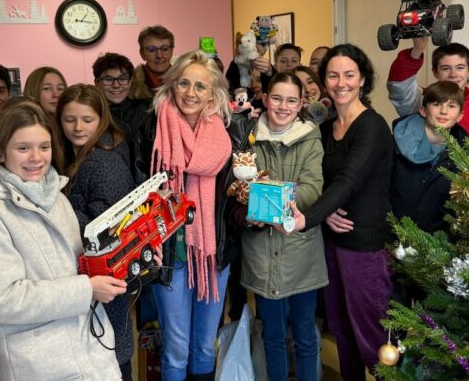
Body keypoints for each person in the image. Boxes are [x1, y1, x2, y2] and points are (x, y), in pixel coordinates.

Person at [0, 99, 125, 381]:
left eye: (44, 146)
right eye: (23, 148)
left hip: (89, 347)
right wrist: (86, 289)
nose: (36, 157)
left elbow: (82, 265)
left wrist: (132, 258)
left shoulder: (57, 197)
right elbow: (5, 300)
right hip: (40, 362)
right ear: (0, 153)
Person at [288, 44, 394, 380]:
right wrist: (325, 212)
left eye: (349, 74)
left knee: (372, 336)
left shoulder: (372, 127)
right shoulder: (326, 128)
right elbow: (323, 183)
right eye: (333, 75)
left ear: (362, 79)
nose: (341, 82)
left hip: (365, 246)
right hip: (332, 243)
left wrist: (310, 217)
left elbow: (349, 180)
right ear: (323, 81)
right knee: (342, 329)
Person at [137, 49, 238, 380]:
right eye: (184, 83)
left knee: (206, 345)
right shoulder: (151, 129)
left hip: (212, 254)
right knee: (176, 348)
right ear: (171, 86)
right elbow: (138, 191)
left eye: (200, 86)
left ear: (214, 93)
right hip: (169, 253)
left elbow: (234, 199)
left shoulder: (228, 133)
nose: (191, 93)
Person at [56, 84, 157, 381]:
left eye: (87, 120)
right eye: (69, 119)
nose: (77, 127)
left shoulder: (104, 160)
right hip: (89, 283)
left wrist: (58, 211)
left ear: (101, 120)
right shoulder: (73, 155)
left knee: (110, 360)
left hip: (106, 281)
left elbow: (109, 232)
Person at [232, 72, 327, 381]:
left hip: (301, 253)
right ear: (265, 98)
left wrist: (274, 197)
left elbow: (313, 187)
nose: (283, 106)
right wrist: (249, 209)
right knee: (272, 335)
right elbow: (236, 187)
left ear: (301, 103)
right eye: (276, 98)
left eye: (291, 100)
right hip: (260, 252)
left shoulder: (311, 137)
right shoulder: (246, 137)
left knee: (305, 335)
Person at [391, 80, 467, 234]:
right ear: (423, 110)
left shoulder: (463, 154)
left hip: (436, 243)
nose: (443, 111)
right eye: (437, 104)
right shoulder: (395, 145)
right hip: (392, 232)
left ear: (460, 116)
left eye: (451, 106)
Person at [387, 38, 469, 152]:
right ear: (435, 72)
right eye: (445, 68)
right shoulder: (422, 100)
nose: (453, 74)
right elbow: (398, 87)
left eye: (460, 68)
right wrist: (417, 50)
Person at [93, 52, 154, 183]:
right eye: (108, 79)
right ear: (96, 83)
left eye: (122, 78)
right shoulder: (92, 118)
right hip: (113, 186)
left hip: (150, 189)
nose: (116, 85)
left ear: (130, 82)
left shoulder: (146, 110)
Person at [130, 25, 175, 99]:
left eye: (164, 49)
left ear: (171, 51)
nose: (159, 55)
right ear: (142, 54)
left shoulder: (184, 80)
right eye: (152, 50)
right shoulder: (130, 84)